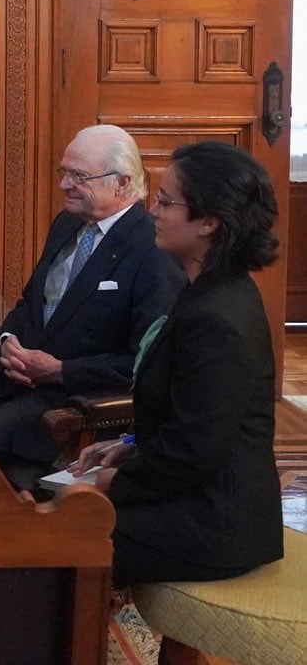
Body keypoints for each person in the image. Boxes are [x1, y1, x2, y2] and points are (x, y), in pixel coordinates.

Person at [0, 124, 184, 486]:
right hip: (13, 373)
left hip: (68, 397)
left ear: (122, 182)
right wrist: (8, 338)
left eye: (78, 175)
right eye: (63, 172)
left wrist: (59, 370)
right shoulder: (67, 224)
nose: (64, 185)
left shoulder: (151, 249)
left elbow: (143, 361)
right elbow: (31, 301)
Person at [70, 141, 283, 586]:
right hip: (193, 495)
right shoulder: (208, 288)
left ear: (209, 221)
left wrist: (113, 483)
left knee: (57, 535)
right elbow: (191, 417)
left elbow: (193, 453)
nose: (153, 212)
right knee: (50, 513)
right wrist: (129, 446)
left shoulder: (217, 318)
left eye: (166, 202)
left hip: (214, 525)